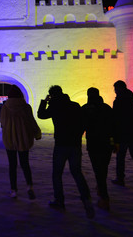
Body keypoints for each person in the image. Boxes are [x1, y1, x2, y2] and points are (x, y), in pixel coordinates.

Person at [37, 85, 94, 219]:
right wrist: (77, 135)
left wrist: (45, 101)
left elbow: (41, 115)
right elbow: (83, 123)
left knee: (57, 174)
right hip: (74, 144)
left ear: (52, 95)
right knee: (77, 172)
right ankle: (86, 199)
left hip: (61, 144)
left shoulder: (55, 106)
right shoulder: (74, 105)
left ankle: (59, 200)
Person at [0, 85, 42, 199]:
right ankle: (29, 186)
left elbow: (2, 123)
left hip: (9, 139)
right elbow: (31, 122)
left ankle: (13, 190)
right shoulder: (26, 107)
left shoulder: (5, 107)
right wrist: (37, 133)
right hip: (23, 138)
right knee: (25, 164)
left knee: (12, 165)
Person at [81, 87, 115, 211]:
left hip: (94, 143)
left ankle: (104, 198)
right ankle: (101, 191)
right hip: (106, 144)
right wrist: (114, 142)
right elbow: (113, 126)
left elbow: (81, 125)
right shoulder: (106, 108)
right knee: (103, 169)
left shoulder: (86, 109)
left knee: (98, 170)